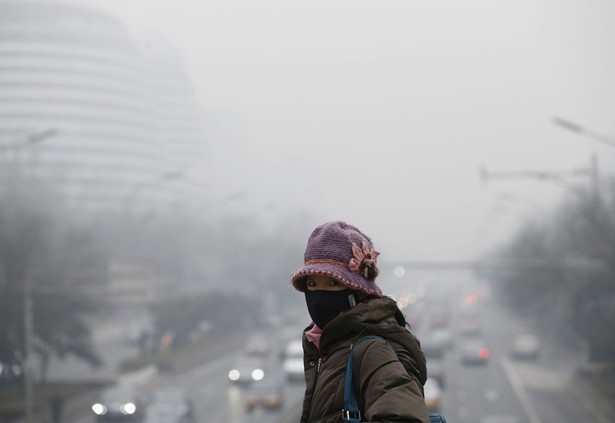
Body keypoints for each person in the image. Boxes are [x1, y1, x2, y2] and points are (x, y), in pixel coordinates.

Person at [290, 220, 430, 423]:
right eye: (312, 284)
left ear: (358, 290)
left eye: (333, 282)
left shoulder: (372, 351)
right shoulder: (331, 345)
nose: (319, 296)